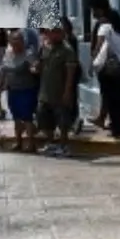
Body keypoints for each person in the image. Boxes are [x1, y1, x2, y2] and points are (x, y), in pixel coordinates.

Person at [35, 25, 79, 156]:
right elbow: (41, 66)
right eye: (51, 32)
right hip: (45, 91)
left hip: (60, 91)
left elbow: (71, 73)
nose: (54, 35)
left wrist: (67, 92)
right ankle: (51, 143)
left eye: (57, 33)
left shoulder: (67, 50)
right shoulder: (45, 48)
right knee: (44, 117)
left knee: (62, 120)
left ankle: (64, 145)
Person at [93, 8, 120, 138]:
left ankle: (117, 129)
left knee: (110, 99)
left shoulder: (105, 28)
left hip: (108, 68)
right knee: (118, 97)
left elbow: (99, 45)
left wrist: (93, 60)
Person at [1, 30, 39, 151]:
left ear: (23, 42)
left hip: (26, 90)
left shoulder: (28, 54)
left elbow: (35, 67)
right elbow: (4, 70)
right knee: (16, 117)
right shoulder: (8, 54)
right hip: (13, 90)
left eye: (19, 41)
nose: (16, 44)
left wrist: (34, 68)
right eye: (13, 41)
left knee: (27, 118)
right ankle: (18, 142)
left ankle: (31, 143)